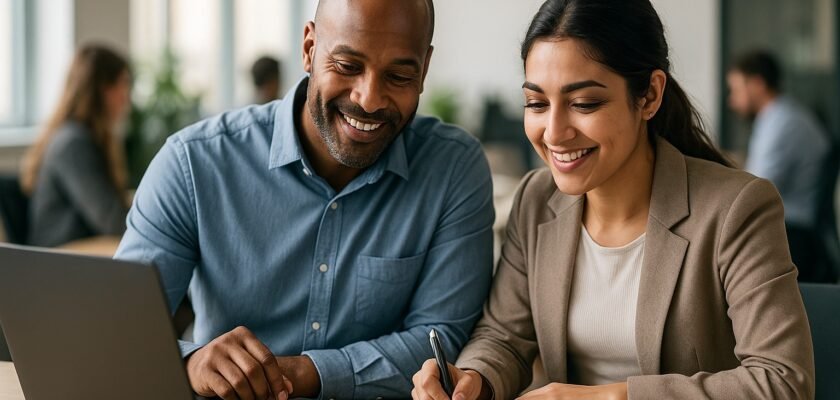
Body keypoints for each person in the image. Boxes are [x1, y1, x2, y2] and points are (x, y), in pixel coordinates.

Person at [412, 0, 814, 399]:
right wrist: (473, 380)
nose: (554, 133)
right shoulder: (535, 200)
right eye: (536, 103)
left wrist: (608, 397)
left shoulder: (737, 208)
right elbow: (504, 337)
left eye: (584, 103)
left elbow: (782, 381)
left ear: (650, 96)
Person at [115, 0, 494, 399]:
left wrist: (298, 373)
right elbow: (117, 334)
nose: (369, 99)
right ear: (310, 48)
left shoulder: (453, 169)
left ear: (425, 68)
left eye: (399, 75)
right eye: (348, 66)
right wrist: (192, 363)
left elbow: (441, 339)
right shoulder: (193, 164)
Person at [728, 50, 832, 282]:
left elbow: (755, 191)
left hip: (793, 233)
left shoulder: (782, 123)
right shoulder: (779, 117)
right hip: (793, 227)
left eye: (736, 90)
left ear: (756, 85)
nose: (732, 100)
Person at [20, 44, 132, 247]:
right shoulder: (73, 144)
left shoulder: (81, 137)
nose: (127, 97)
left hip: (78, 255)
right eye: (122, 84)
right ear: (103, 89)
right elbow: (112, 220)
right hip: (61, 260)